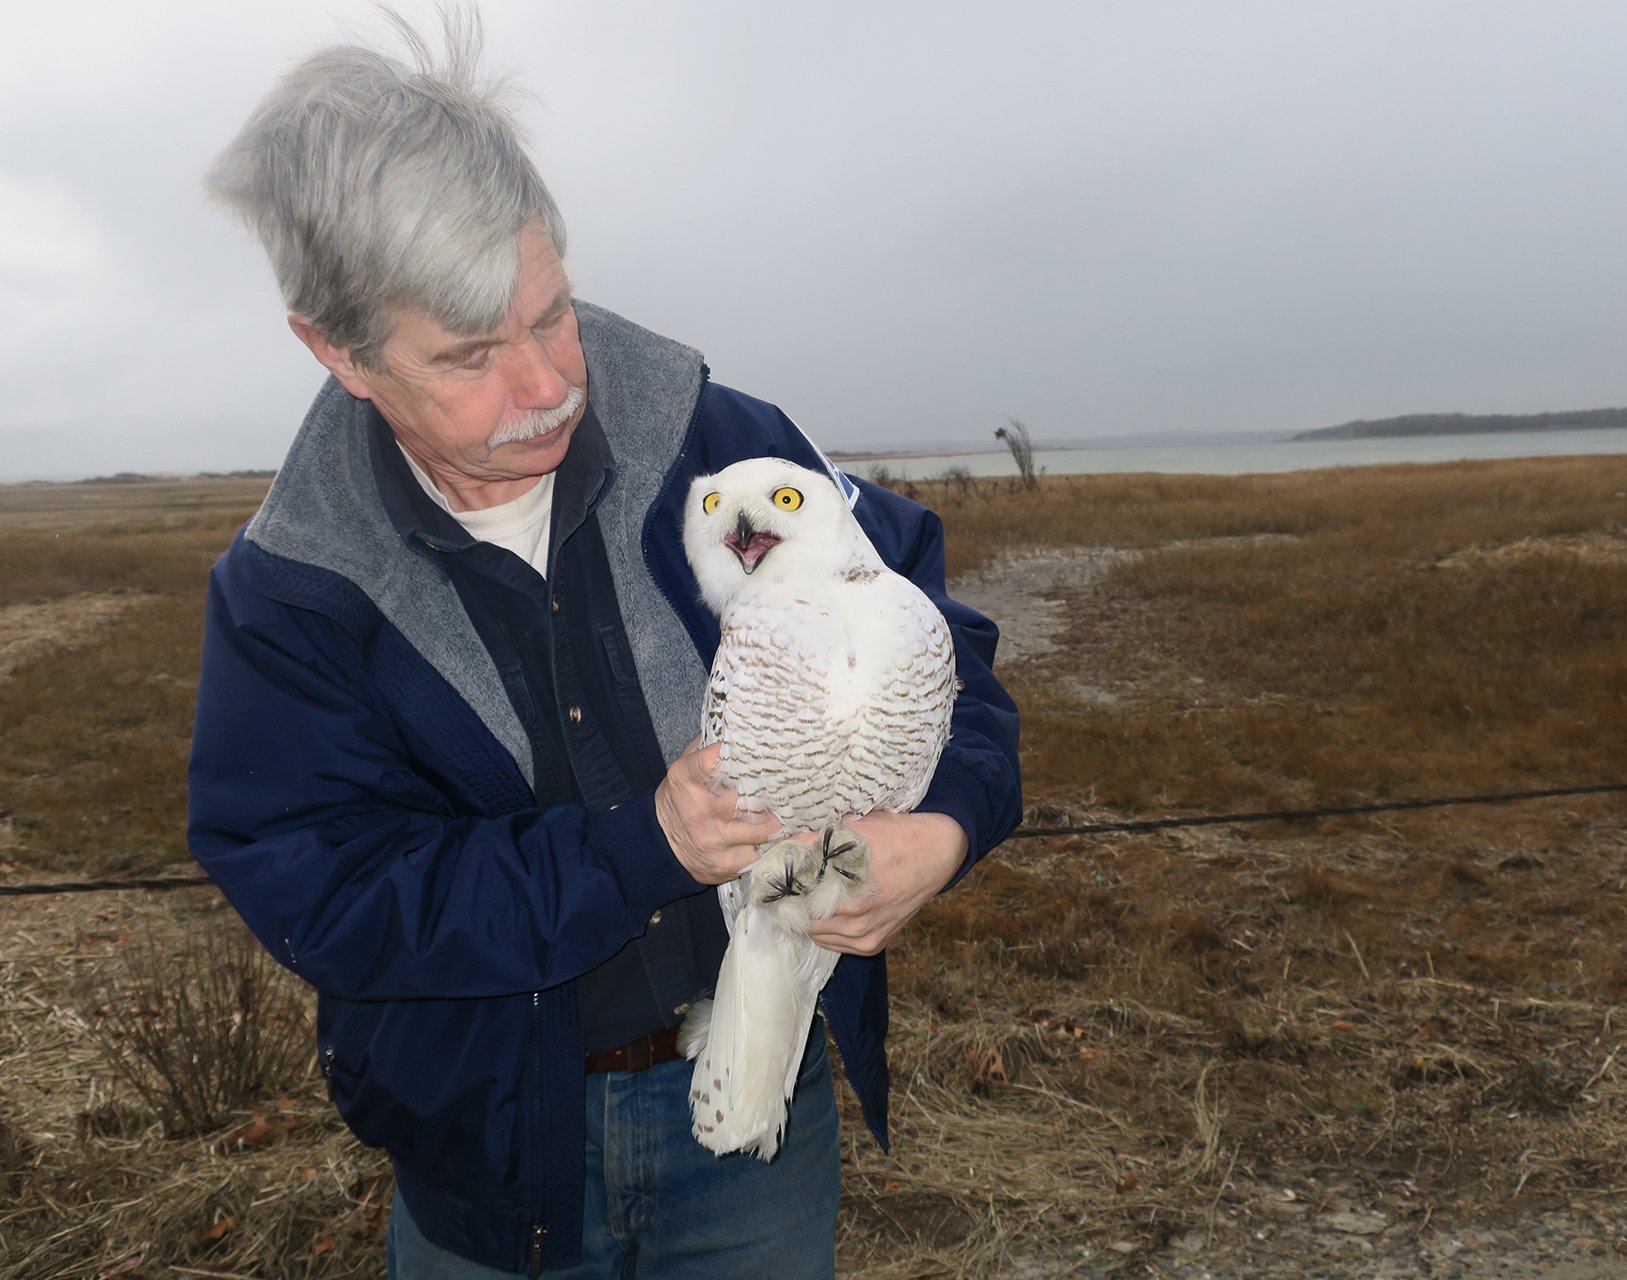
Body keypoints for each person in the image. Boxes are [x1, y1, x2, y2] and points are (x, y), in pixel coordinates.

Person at [186, 13, 1020, 1279]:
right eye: (468, 354)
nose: (545, 387)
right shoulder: (291, 589)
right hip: (490, 1158)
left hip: (759, 1111)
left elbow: (942, 646)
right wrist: (644, 847)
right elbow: (333, 894)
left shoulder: (721, 441)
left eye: (551, 312)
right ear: (336, 350)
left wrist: (945, 828)